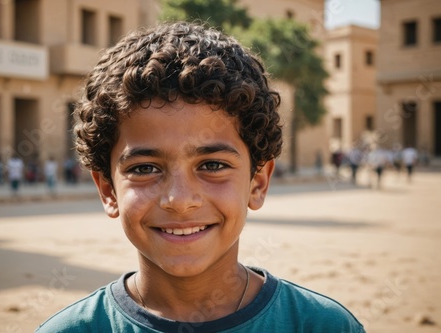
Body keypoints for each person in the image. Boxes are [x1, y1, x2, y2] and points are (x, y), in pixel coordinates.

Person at [36, 22, 364, 333]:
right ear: (108, 190)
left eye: (212, 165)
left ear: (258, 182)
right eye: (145, 168)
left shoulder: (321, 326)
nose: (180, 200)